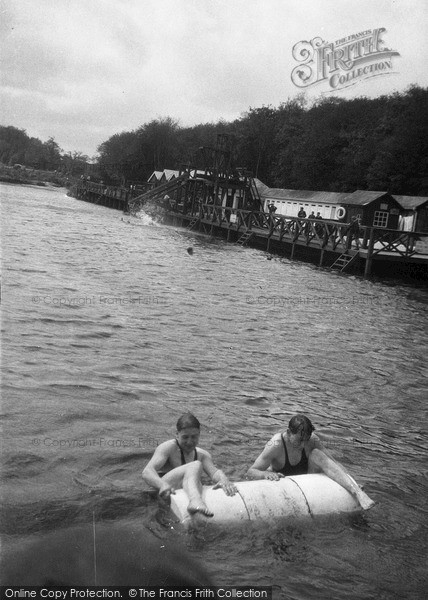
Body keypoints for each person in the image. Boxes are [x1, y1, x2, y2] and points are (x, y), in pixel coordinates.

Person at [246, 414, 375, 511]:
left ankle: (357, 492)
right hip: (285, 483)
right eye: (299, 440)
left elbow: (333, 463)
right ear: (289, 432)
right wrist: (264, 475)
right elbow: (251, 472)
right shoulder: (275, 444)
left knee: (317, 454)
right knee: (268, 471)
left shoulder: (312, 440)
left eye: (306, 440)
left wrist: (353, 483)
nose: (303, 444)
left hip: (307, 480)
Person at [142, 413, 237, 517]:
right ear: (177, 434)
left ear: (199, 435)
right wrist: (162, 485)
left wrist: (223, 479)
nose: (189, 441)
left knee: (198, 474)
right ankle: (195, 501)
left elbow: (214, 473)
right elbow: (147, 471)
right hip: (162, 491)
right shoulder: (168, 448)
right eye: (185, 437)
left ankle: (196, 506)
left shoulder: (202, 455)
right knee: (195, 465)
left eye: (194, 437)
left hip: (178, 493)